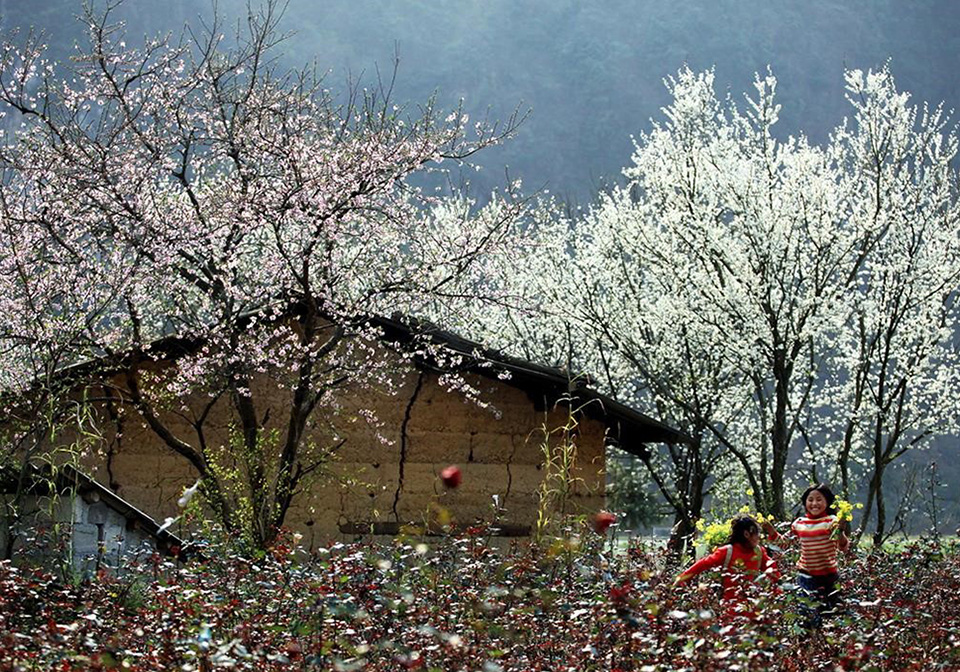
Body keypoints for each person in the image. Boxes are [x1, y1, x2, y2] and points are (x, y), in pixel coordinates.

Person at [764, 483, 849, 626]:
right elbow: (784, 543)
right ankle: (808, 642)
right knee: (807, 614)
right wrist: (771, 531)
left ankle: (827, 645)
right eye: (810, 500)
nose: (814, 503)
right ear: (805, 502)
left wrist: (840, 531)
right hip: (806, 576)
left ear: (827, 502)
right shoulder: (799, 523)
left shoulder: (832, 521)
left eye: (819, 499)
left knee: (833, 613)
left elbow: (843, 547)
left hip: (829, 576)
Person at [675, 514, 779, 618]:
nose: (759, 537)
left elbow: (774, 572)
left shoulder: (759, 552)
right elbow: (702, 564)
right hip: (730, 610)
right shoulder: (727, 551)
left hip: (753, 610)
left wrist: (779, 592)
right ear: (746, 534)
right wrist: (680, 580)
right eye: (757, 534)